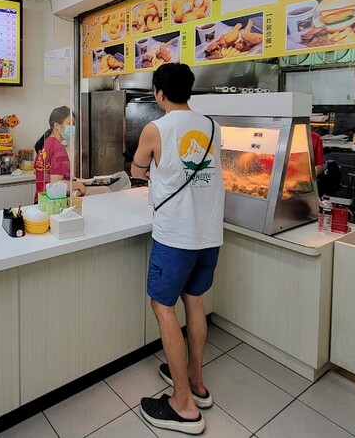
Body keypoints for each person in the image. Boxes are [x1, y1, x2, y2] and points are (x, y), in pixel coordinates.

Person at [131, 64, 224, 435]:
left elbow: (138, 172)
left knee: (162, 306)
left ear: (159, 93)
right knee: (195, 301)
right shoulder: (211, 126)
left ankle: (183, 405)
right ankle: (196, 383)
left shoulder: (155, 129)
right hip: (209, 233)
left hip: (176, 236)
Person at [33, 106, 86, 202]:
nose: (73, 127)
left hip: (41, 200)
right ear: (57, 125)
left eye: (73, 124)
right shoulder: (58, 149)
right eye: (69, 123)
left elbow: (37, 172)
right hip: (53, 203)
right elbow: (56, 184)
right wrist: (79, 185)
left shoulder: (45, 143)